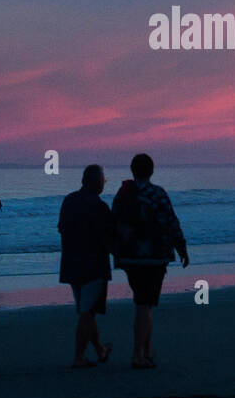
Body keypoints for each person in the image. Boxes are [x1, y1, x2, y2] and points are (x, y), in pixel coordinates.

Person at [112, 153, 188, 369]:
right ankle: (138, 354)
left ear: (132, 170)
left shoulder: (123, 193)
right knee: (144, 304)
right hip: (154, 257)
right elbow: (171, 222)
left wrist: (115, 251)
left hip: (129, 257)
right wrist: (181, 247)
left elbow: (113, 223)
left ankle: (147, 350)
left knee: (143, 303)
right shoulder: (157, 193)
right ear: (152, 171)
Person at [58, 164, 115, 368]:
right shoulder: (100, 207)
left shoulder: (69, 201)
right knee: (87, 312)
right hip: (94, 266)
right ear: (97, 183)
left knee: (86, 310)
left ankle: (100, 349)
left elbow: (62, 229)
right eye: (103, 180)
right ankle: (79, 357)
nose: (104, 184)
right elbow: (109, 239)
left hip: (72, 264)